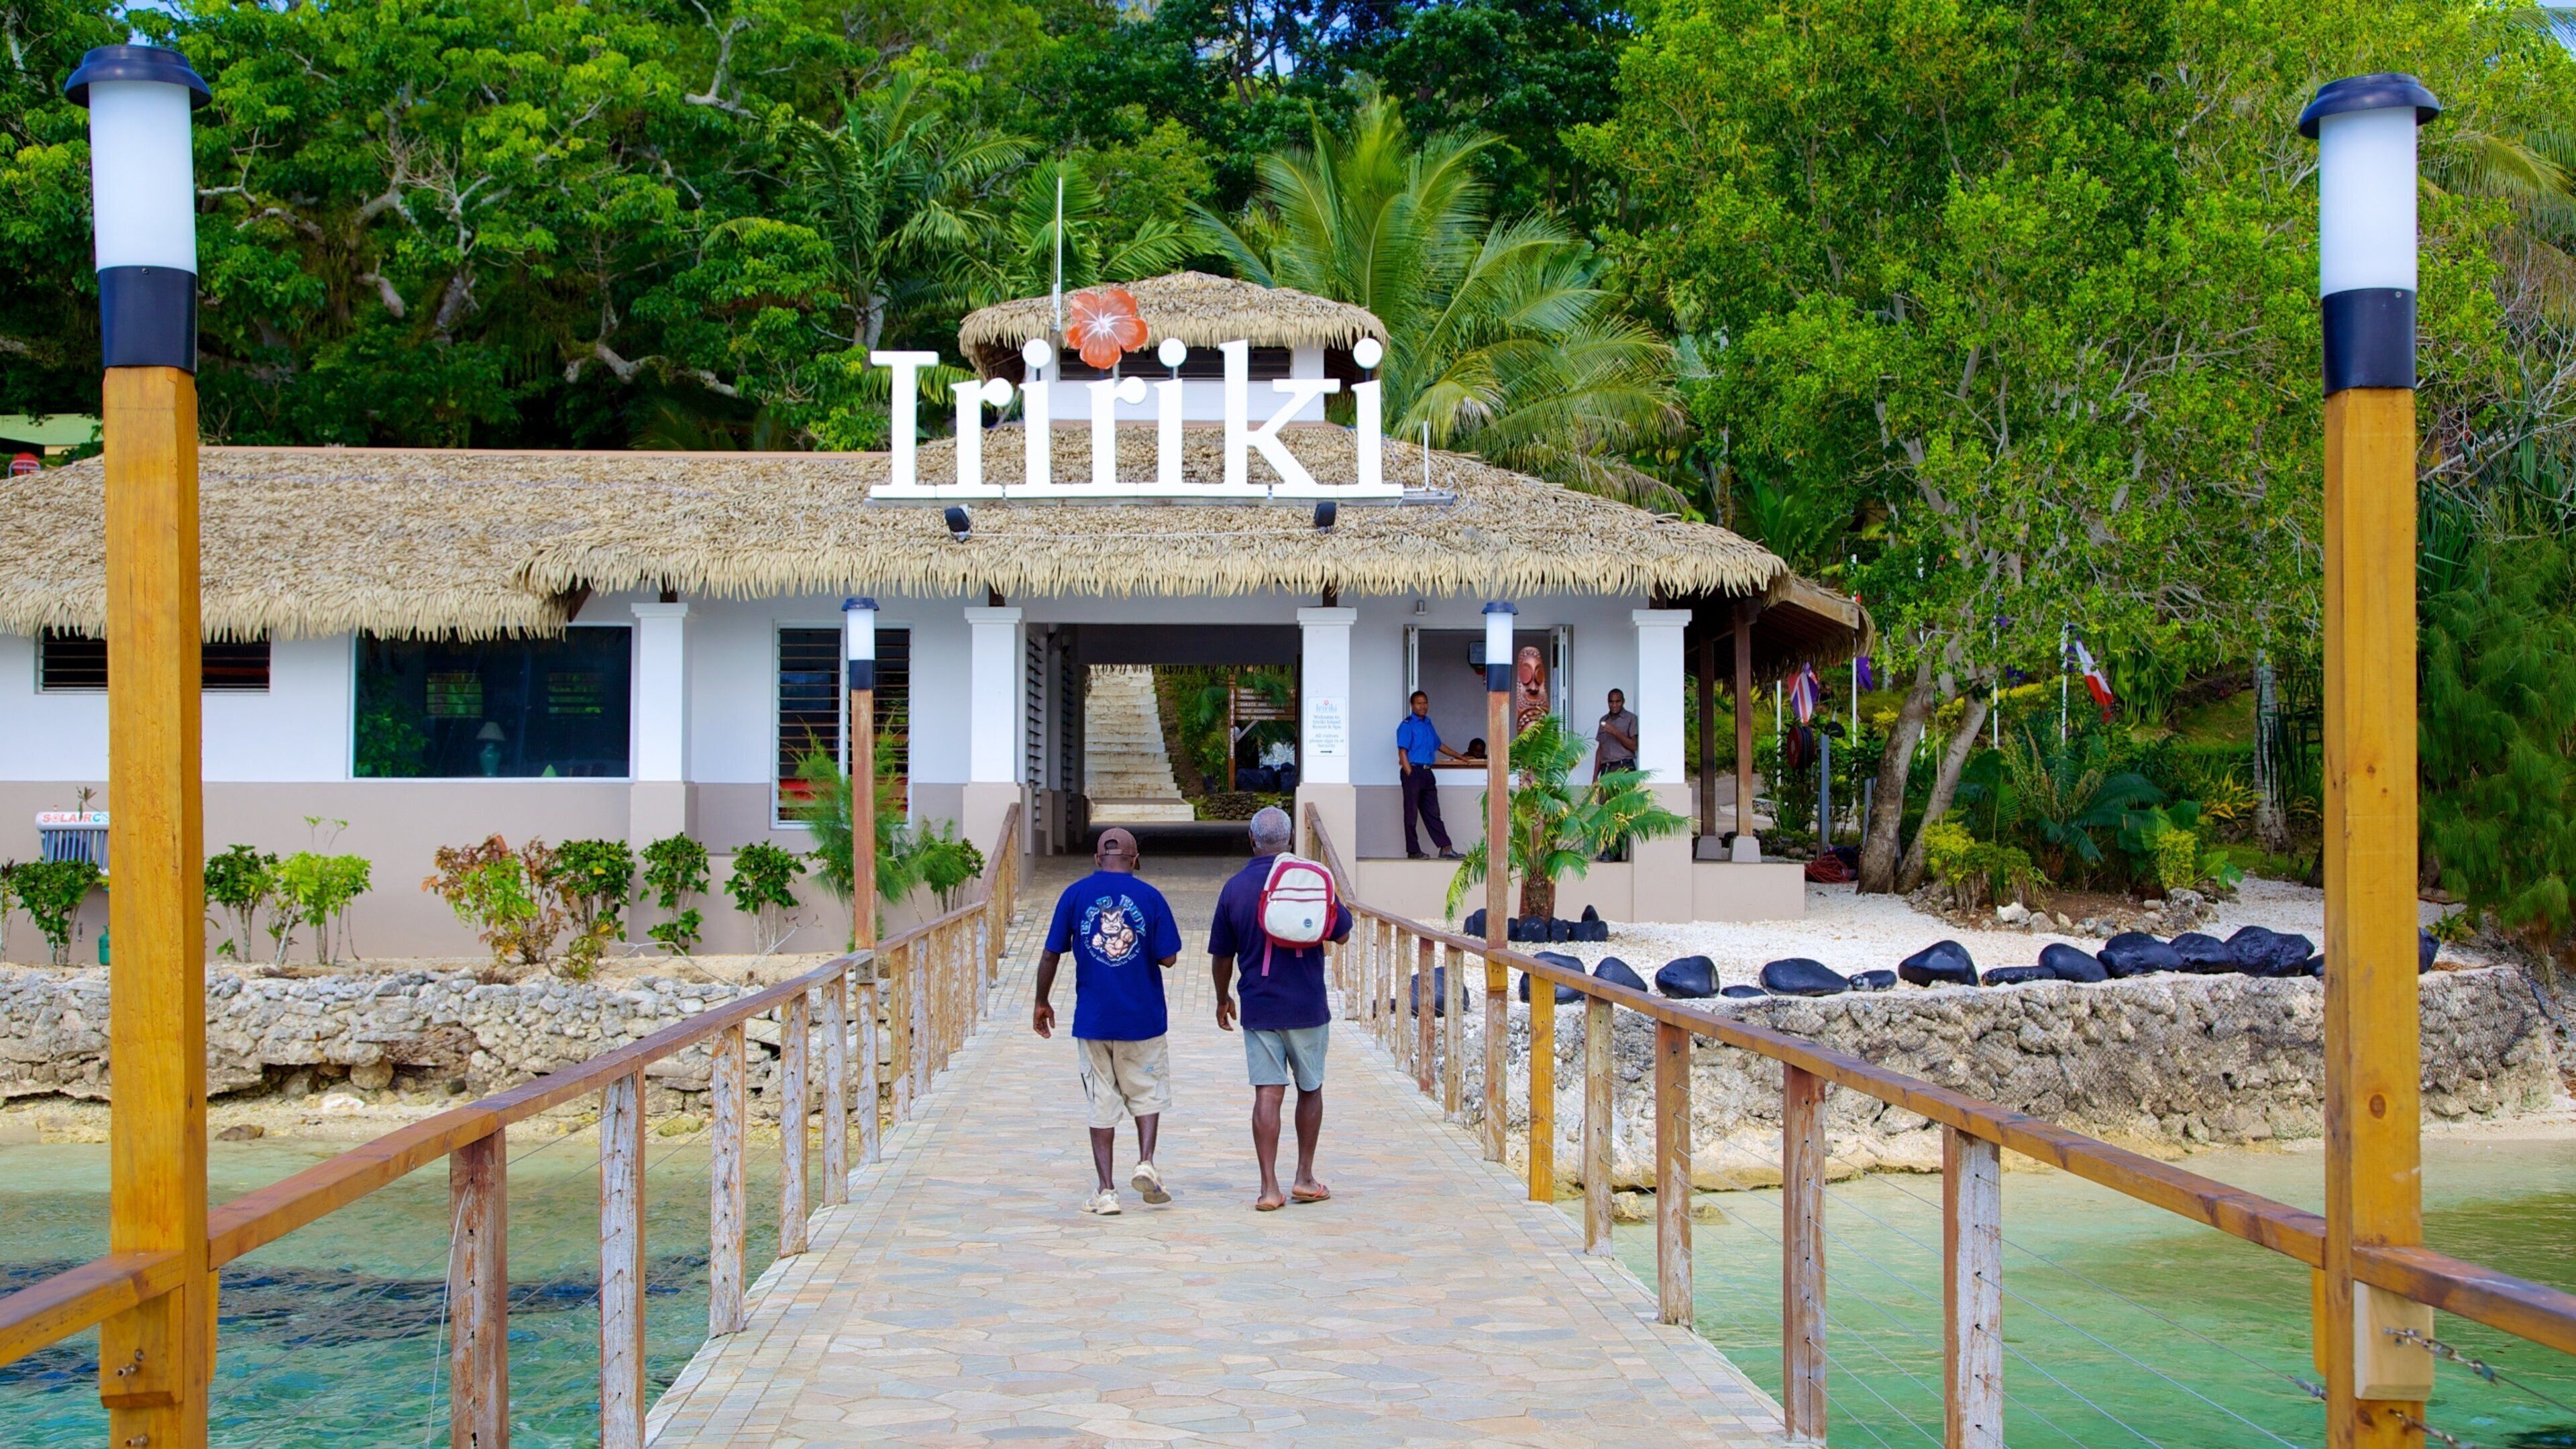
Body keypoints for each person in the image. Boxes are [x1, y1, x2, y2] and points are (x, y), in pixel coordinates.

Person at [1208, 806, 1354, 1211]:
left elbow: (1222, 956)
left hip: (1260, 1006)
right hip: (1307, 1005)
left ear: (1251, 840)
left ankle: (1269, 1189)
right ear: (1290, 840)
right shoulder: (1310, 880)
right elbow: (1343, 933)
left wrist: (1223, 998)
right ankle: (1305, 1178)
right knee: (1310, 1088)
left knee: (1268, 1093)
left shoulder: (1235, 888)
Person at [1032, 826, 1183, 1216]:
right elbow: (1168, 958)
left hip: (1094, 1019)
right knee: (1146, 1092)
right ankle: (1146, 1163)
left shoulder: (1074, 894)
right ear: (1136, 860)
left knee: (1101, 1101)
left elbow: (1051, 954)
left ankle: (1106, 1192)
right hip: (1143, 1019)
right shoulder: (1150, 897)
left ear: (1097, 859)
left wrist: (1042, 1002)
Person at [1394, 690, 1467, 859]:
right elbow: (1402, 752)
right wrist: (1410, 773)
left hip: (1428, 773)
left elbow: (1439, 745)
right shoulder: (1406, 725)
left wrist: (1460, 756)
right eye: (1419, 703)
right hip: (1413, 772)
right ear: (1412, 706)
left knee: (1433, 812)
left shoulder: (1428, 723)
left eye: (1425, 702)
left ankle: (1446, 849)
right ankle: (1413, 851)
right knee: (1411, 814)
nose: (1423, 706)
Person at [1597, 688, 1640, 775]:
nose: (1614, 705)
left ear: (1623, 701)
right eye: (1611, 702)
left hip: (1625, 768)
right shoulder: (1603, 720)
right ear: (1608, 702)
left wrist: (1615, 732)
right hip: (1606, 770)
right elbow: (1600, 749)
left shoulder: (1631, 718)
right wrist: (1595, 776)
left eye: (1618, 701)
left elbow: (1634, 746)